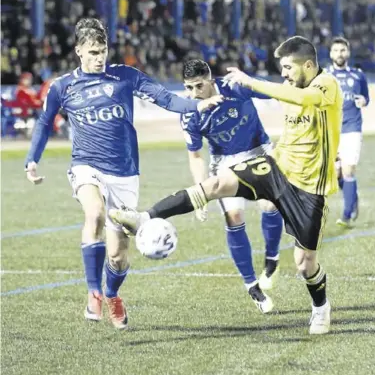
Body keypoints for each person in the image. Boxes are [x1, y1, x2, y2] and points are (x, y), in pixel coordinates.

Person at [110, 36, 343, 335]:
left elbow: (304, 100)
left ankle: (320, 307)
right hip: (276, 169)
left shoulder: (326, 84)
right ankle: (147, 216)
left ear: (308, 65)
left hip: (310, 187)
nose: (283, 74)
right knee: (216, 184)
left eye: (287, 67)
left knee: (304, 263)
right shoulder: (283, 88)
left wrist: (249, 82)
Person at [24, 18, 222, 330]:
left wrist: (197, 106)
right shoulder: (63, 87)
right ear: (78, 51)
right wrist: (32, 159)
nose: (98, 56)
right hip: (85, 164)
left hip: (125, 172)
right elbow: (45, 122)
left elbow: (165, 97)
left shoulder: (125, 76)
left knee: (117, 255)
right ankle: (93, 292)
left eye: (102, 50)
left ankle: (112, 294)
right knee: (95, 214)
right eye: (92, 51)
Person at [180, 59, 283, 314]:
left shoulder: (235, 87)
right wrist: (201, 191)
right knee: (234, 217)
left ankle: (272, 259)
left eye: (198, 86)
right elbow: (195, 156)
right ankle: (252, 287)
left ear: (211, 80)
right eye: (188, 88)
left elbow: (273, 91)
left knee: (270, 204)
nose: (193, 93)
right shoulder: (189, 113)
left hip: (258, 149)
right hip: (224, 161)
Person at [327, 37, 370, 227]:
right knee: (336, 174)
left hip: (352, 128)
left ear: (348, 53)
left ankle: (347, 214)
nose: (339, 54)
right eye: (336, 50)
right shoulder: (324, 76)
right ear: (331, 54)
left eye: (342, 50)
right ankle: (353, 198)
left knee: (348, 169)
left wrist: (363, 102)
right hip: (331, 130)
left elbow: (365, 98)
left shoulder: (358, 75)